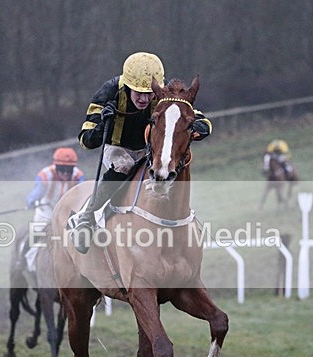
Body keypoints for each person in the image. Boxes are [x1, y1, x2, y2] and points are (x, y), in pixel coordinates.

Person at [70, 51, 212, 253]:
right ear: (128, 86)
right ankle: (87, 217)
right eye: (138, 93)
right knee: (124, 165)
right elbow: (86, 140)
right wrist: (103, 123)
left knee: (170, 165)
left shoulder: (164, 92)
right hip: (118, 147)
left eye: (149, 93)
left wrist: (200, 127)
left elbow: (195, 117)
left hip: (148, 149)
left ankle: (183, 219)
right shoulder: (109, 92)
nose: (145, 99)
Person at [21, 147, 84, 272]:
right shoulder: (45, 175)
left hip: (67, 213)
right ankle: (23, 261)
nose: (65, 173)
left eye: (69, 169)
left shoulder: (78, 176)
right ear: (56, 166)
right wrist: (31, 201)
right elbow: (35, 193)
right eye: (62, 168)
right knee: (36, 233)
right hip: (46, 211)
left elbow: (81, 194)